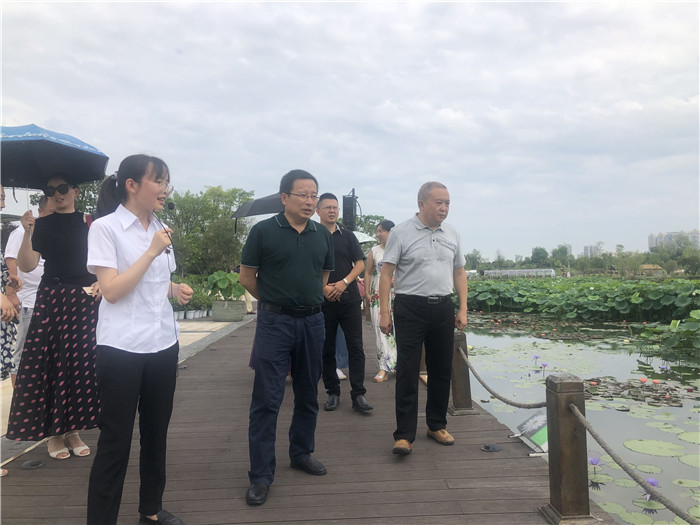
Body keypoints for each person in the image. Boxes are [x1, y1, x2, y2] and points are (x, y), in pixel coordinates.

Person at [85, 155, 193, 525]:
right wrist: (150, 252)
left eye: (166, 182)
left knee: (156, 433)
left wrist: (174, 288)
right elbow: (112, 291)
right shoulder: (106, 228)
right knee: (115, 440)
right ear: (132, 185)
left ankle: (151, 509)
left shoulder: (160, 227)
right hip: (121, 348)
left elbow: (152, 283)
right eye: (158, 181)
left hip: (162, 344)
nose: (165, 189)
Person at [239, 169, 334, 507]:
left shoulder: (321, 235)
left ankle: (301, 452)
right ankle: (261, 475)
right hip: (274, 323)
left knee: (308, 391)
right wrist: (273, 300)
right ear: (284, 198)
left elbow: (323, 275)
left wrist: (305, 299)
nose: (310, 201)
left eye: (314, 195)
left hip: (313, 322)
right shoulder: (263, 231)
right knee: (267, 399)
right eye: (303, 195)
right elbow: (247, 277)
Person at [7, 173, 101, 460]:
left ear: (75, 191)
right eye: (50, 190)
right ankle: (54, 433)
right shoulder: (41, 225)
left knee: (79, 366)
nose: (57, 194)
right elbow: (27, 265)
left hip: (84, 299)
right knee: (51, 364)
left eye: (62, 188)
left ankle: (73, 430)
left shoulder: (91, 223)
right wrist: (27, 232)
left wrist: (100, 282)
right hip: (53, 299)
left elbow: (104, 260)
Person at [378, 182, 468, 456]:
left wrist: (462, 308)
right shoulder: (401, 232)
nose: (444, 208)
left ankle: (436, 425)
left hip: (442, 307)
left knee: (441, 369)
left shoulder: (452, 233)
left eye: (448, 203)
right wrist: (384, 312)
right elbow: (386, 274)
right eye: (439, 202)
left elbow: (459, 272)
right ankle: (404, 435)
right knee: (407, 370)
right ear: (421, 204)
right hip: (410, 307)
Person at [315, 193, 372, 413]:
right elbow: (308, 266)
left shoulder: (348, 236)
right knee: (326, 347)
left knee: (356, 346)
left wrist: (343, 283)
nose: (332, 211)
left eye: (335, 207)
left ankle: (358, 393)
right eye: (327, 207)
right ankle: (332, 392)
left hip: (349, 299)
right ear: (318, 211)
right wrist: (324, 288)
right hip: (323, 300)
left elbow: (359, 264)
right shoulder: (312, 236)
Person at [4, 195, 54, 387]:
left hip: (51, 302)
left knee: (46, 355)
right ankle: (18, 399)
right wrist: (11, 294)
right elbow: (10, 262)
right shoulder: (21, 233)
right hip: (29, 302)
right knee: (24, 354)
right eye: (50, 212)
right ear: (39, 212)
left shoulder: (52, 232)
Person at [364, 220, 397, 382]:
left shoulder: (400, 249)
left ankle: (398, 364)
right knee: (381, 330)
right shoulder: (374, 251)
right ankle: (384, 367)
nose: (378, 234)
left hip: (398, 294)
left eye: (381, 231)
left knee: (400, 330)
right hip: (378, 294)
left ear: (391, 232)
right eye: (377, 231)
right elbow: (368, 272)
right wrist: (367, 292)